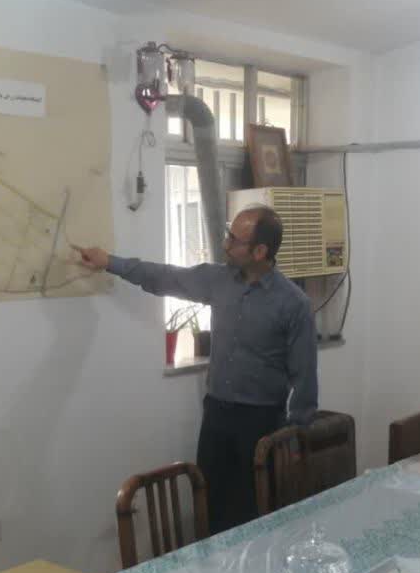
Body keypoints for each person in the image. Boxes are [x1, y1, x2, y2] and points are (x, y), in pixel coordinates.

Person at [75, 204, 318, 533]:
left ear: (260, 251)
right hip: (217, 415)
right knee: (212, 505)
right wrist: (109, 262)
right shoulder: (218, 280)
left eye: (234, 240)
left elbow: (305, 376)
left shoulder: (293, 304)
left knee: (256, 513)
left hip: (261, 423)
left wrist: (294, 438)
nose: (226, 244)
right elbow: (164, 276)